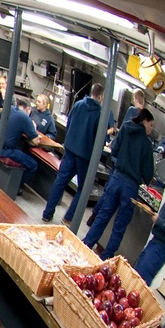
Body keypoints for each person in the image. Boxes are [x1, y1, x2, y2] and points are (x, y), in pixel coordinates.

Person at [83, 108, 155, 257]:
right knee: (120, 226)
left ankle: (86, 244)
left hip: (116, 178)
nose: (151, 129)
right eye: (151, 125)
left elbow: (114, 149)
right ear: (145, 121)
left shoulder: (126, 128)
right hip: (130, 187)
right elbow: (148, 174)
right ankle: (106, 257)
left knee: (103, 215)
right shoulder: (147, 144)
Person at [42, 83, 110, 224]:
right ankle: (68, 218)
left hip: (70, 151)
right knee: (83, 188)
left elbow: (69, 124)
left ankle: (47, 213)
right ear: (101, 96)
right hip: (85, 157)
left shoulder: (78, 104)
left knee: (60, 182)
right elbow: (100, 140)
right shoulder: (100, 114)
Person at [135, 162, 165, 285]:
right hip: (156, 244)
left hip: (160, 248)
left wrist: (159, 221)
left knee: (140, 282)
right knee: (137, 275)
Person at [0, 97, 40, 196]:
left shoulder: (10, 108)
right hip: (2, 150)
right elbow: (36, 141)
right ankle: (16, 187)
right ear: (28, 109)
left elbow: (0, 119)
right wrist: (34, 127)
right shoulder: (25, 118)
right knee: (33, 165)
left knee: (18, 149)